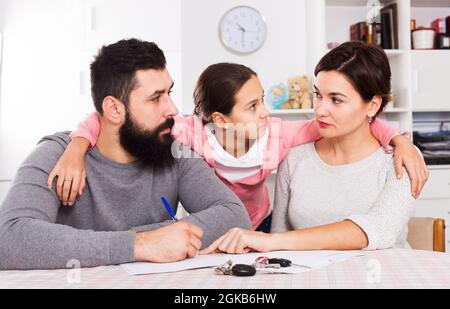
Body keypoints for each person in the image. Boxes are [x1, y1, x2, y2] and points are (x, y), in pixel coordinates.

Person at [47, 63, 427, 232]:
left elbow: (345, 120)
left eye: (262, 100)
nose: (266, 113)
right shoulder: (190, 133)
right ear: (220, 119)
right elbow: (116, 117)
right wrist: (75, 147)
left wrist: (398, 139)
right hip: (209, 222)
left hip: (260, 224)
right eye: (252, 106)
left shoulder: (278, 135)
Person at [0, 39, 251, 270]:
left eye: (169, 93)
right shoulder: (58, 155)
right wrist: (138, 244)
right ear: (114, 109)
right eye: (155, 98)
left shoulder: (175, 154)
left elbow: (234, 216)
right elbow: (9, 239)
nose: (172, 109)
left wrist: (148, 239)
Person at [200, 41, 418, 254]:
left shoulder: (401, 159)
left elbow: (379, 228)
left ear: (372, 105)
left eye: (336, 100)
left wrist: (272, 241)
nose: (321, 110)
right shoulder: (295, 158)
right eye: (318, 95)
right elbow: (277, 243)